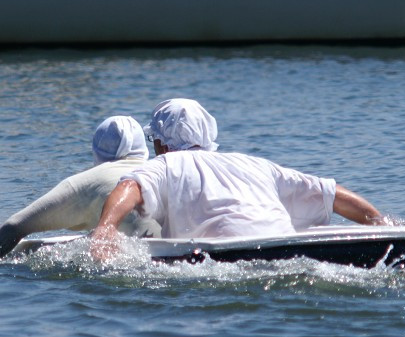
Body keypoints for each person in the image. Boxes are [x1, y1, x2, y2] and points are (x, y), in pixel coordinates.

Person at [90, 99, 384, 259]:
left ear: (161, 145)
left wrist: (104, 230)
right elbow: (330, 194)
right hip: (288, 249)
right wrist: (382, 224)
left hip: (229, 262)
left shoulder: (167, 163)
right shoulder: (254, 164)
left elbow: (129, 187)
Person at [0, 115, 160, 258]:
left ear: (97, 152)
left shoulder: (89, 182)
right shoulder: (163, 171)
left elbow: (12, 228)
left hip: (132, 263)